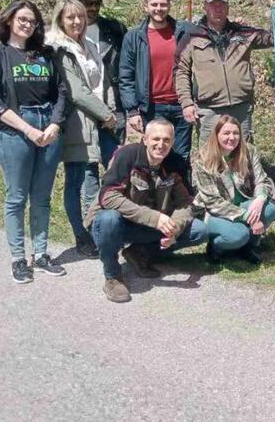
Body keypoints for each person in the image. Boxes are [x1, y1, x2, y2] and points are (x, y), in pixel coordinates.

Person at [0, 0, 70, 283]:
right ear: (9, 20)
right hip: (16, 130)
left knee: (42, 197)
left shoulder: (45, 54)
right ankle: (18, 258)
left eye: (32, 21)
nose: (27, 25)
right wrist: (27, 129)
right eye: (22, 19)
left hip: (49, 128)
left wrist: (56, 123)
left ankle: (41, 254)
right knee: (17, 197)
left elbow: (62, 92)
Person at [86, 118, 207, 303]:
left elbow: (186, 203)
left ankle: (140, 252)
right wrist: (155, 218)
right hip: (113, 224)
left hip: (146, 227)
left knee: (199, 230)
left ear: (173, 142)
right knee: (109, 219)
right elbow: (107, 196)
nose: (161, 144)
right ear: (145, 139)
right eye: (155, 139)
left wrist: (175, 227)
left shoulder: (175, 162)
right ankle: (112, 276)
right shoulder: (127, 155)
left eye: (166, 140)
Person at [46, 0, 120, 258]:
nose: (77, 21)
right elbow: (76, 92)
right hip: (79, 123)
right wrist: (106, 114)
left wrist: (110, 112)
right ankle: (84, 235)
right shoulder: (58, 50)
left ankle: (106, 230)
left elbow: (103, 81)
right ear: (60, 20)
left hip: (103, 121)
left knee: (117, 168)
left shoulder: (88, 44)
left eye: (80, 16)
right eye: (70, 17)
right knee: (81, 180)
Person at [175, 0, 274, 146]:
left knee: (243, 153)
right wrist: (186, 103)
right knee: (210, 156)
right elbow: (181, 71)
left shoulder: (242, 33)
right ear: (205, 8)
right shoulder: (192, 36)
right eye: (213, 5)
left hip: (241, 106)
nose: (218, 9)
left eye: (222, 5)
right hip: (209, 110)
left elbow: (273, 38)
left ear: (228, 8)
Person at [193, 114, 275, 264]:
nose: (231, 137)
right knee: (239, 235)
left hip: (242, 204)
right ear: (216, 135)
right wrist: (247, 216)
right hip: (214, 212)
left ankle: (247, 247)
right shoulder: (203, 159)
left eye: (236, 133)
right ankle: (216, 247)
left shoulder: (249, 151)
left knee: (269, 209)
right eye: (226, 133)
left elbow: (262, 180)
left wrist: (259, 199)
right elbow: (213, 202)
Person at [118, 0, 193, 160]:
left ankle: (181, 187)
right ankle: (156, 188)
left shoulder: (183, 31)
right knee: (156, 154)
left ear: (169, 6)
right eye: (154, 4)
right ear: (146, 7)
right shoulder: (134, 37)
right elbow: (126, 75)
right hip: (152, 107)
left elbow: (209, 29)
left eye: (163, 4)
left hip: (181, 104)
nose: (159, 9)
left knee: (182, 155)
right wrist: (132, 110)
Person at [72, 0, 126, 163]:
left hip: (112, 101)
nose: (93, 8)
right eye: (88, 3)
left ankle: (112, 191)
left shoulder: (115, 29)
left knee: (115, 160)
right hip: (80, 106)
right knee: (86, 164)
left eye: (96, 3)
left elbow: (127, 64)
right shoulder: (66, 33)